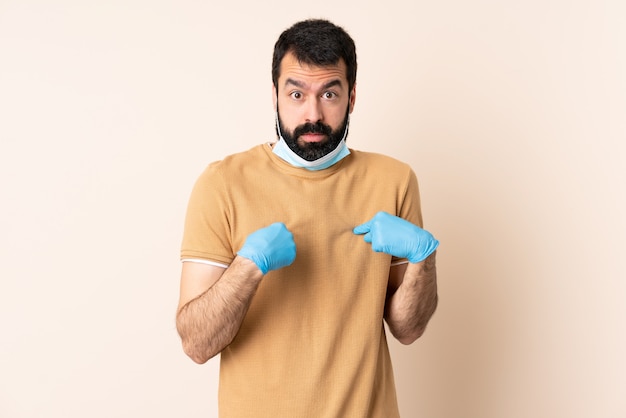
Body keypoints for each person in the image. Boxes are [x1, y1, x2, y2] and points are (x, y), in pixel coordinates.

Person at [176, 19, 439, 418]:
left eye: (329, 93)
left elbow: (408, 328)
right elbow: (197, 344)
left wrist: (424, 257)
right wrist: (248, 267)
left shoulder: (394, 180)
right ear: (275, 95)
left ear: (351, 98)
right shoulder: (222, 183)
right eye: (296, 93)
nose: (312, 114)